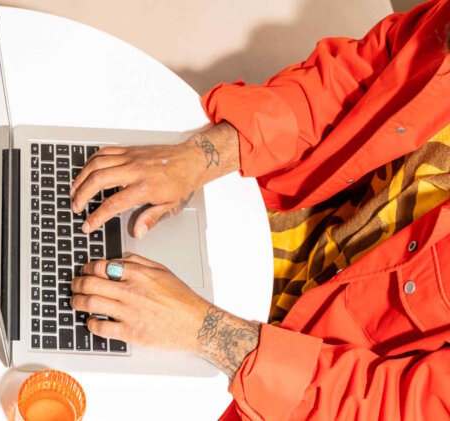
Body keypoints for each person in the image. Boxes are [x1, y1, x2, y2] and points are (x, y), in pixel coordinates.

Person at [69, 0, 450, 419]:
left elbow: (400, 407)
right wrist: (203, 155)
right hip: (258, 204)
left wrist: (207, 332)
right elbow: (357, 75)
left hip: (283, 388)